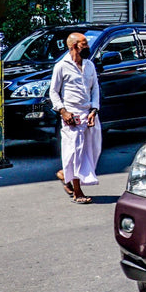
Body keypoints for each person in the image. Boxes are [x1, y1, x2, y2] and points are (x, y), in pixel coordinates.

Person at [48, 32, 100, 204]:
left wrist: (94, 110)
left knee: (90, 151)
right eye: (83, 44)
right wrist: (63, 112)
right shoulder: (61, 66)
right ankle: (77, 192)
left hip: (89, 115)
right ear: (72, 47)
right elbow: (53, 92)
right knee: (75, 153)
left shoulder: (90, 66)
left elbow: (95, 89)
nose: (86, 47)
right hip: (72, 116)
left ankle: (65, 174)